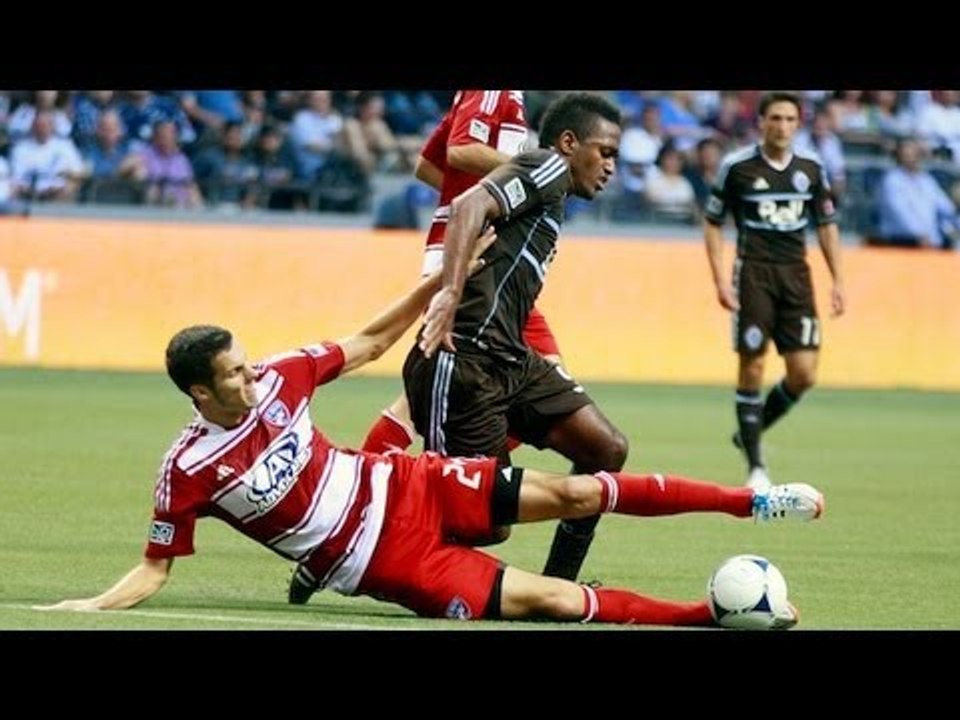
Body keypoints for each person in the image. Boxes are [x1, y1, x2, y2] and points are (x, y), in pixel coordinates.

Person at [36, 241, 823, 628]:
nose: (251, 378)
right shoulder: (187, 468)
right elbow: (155, 569)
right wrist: (91, 607)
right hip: (385, 561)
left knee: (582, 488)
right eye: (233, 376)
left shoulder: (282, 375)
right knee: (548, 602)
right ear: (200, 391)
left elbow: (372, 340)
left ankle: (750, 504)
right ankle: (711, 618)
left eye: (246, 365)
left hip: (407, 484)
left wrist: (441, 285)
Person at [404, 92, 629, 584]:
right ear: (569, 143)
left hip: (510, 358)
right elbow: (466, 205)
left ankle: (560, 588)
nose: (611, 166)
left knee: (604, 449)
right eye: (605, 152)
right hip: (461, 357)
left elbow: (434, 170)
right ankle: (360, 528)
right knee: (484, 524)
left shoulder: (547, 194)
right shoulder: (547, 166)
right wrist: (448, 293)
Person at [361, 89, 562, 459]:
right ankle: (438, 481)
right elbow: (463, 150)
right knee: (543, 386)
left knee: (428, 395)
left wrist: (487, 200)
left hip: (482, 259)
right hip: (470, 260)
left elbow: (428, 165)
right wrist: (530, 176)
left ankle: (399, 479)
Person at [703, 91, 846, 490]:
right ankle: (755, 465)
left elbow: (826, 226)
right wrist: (718, 278)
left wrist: (838, 281)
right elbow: (712, 222)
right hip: (754, 275)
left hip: (797, 277)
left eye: (789, 119)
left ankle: (750, 429)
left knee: (803, 374)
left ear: (798, 124)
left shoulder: (812, 169)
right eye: (775, 119)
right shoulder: (737, 168)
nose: (782, 126)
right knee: (752, 366)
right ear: (761, 122)